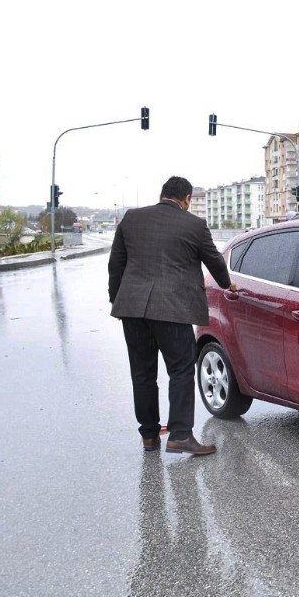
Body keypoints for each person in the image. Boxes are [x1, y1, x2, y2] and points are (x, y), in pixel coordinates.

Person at [108, 176, 234, 455]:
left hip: (132, 309)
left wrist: (118, 300)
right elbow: (214, 261)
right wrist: (227, 284)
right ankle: (180, 435)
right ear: (186, 198)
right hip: (172, 309)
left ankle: (149, 436)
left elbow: (115, 265)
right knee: (180, 369)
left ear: (162, 194)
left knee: (142, 373)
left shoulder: (131, 218)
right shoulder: (194, 225)